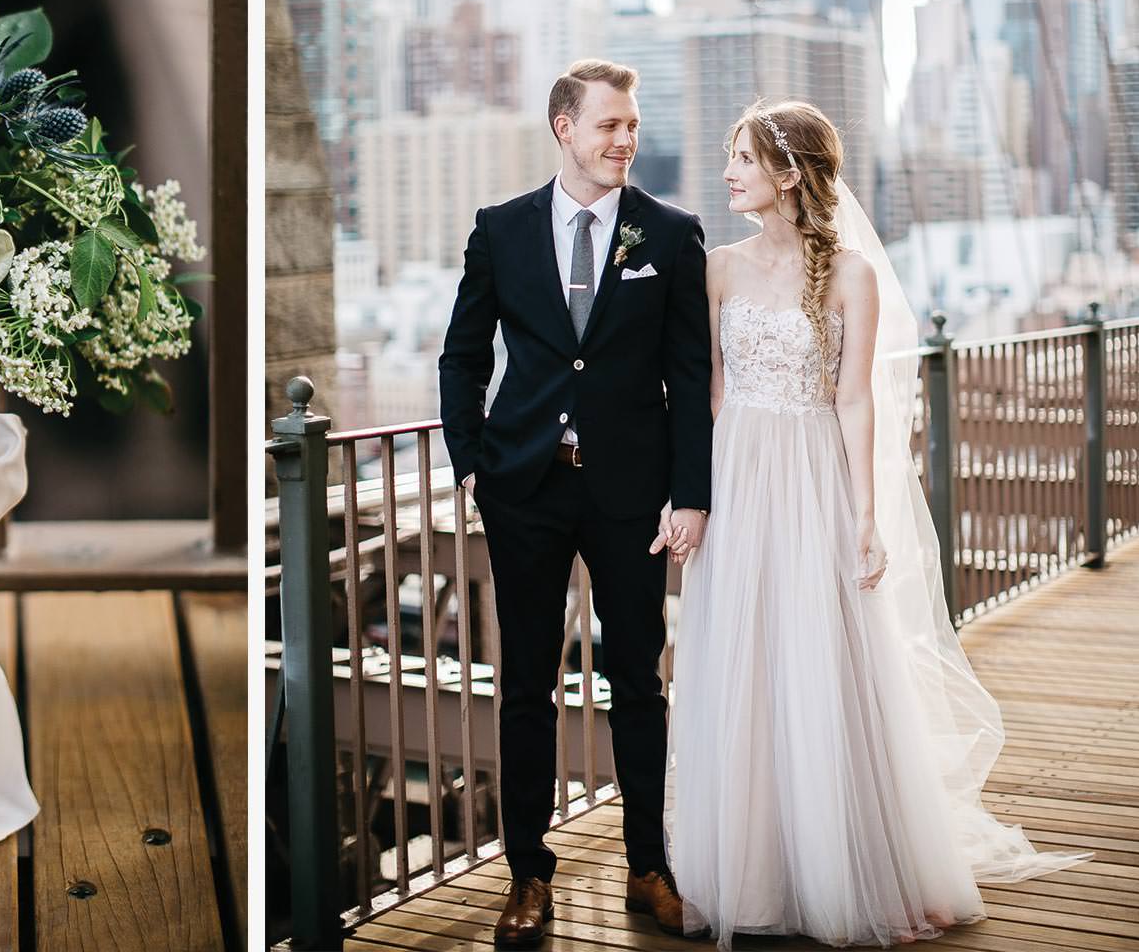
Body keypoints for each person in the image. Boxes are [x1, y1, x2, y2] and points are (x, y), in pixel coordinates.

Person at [667, 99, 1088, 949]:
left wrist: (864, 515)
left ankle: (843, 863)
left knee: (822, 657)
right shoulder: (716, 269)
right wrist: (695, 497)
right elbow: (706, 393)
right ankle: (757, 870)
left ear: (790, 173)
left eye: (744, 158)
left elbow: (854, 399)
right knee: (744, 661)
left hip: (814, 478)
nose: (728, 172)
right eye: (730, 157)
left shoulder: (850, 275)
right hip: (739, 478)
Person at [438, 58, 712, 947]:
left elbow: (689, 374)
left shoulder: (669, 233)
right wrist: (471, 464)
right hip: (525, 487)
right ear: (565, 128)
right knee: (525, 684)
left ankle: (647, 866)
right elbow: (463, 357)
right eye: (609, 125)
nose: (625, 139)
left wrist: (691, 495)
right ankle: (528, 874)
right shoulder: (501, 229)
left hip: (631, 494)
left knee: (637, 681)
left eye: (631, 125)